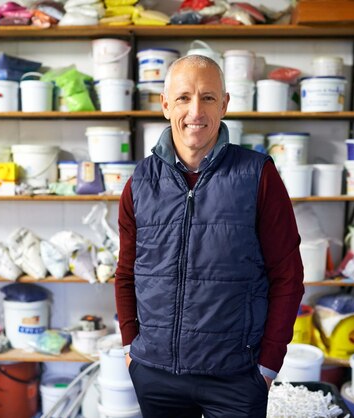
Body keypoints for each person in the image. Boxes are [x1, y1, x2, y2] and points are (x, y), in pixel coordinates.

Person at [115, 55, 304, 418]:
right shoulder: (140, 181)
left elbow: (288, 277)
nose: (195, 111)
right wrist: (130, 348)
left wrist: (267, 366)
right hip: (155, 374)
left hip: (235, 377)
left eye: (208, 97)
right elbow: (126, 274)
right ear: (166, 104)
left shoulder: (258, 175)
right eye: (184, 97)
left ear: (225, 104)